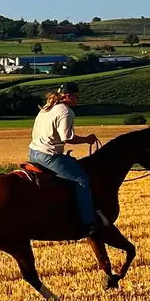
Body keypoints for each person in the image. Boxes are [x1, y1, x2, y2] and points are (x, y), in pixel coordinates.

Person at [28, 82, 101, 235]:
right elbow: (67, 138)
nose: (78, 99)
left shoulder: (47, 107)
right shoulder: (66, 112)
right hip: (49, 156)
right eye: (76, 96)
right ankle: (89, 224)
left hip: (33, 152)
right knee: (82, 180)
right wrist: (87, 139)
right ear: (68, 96)